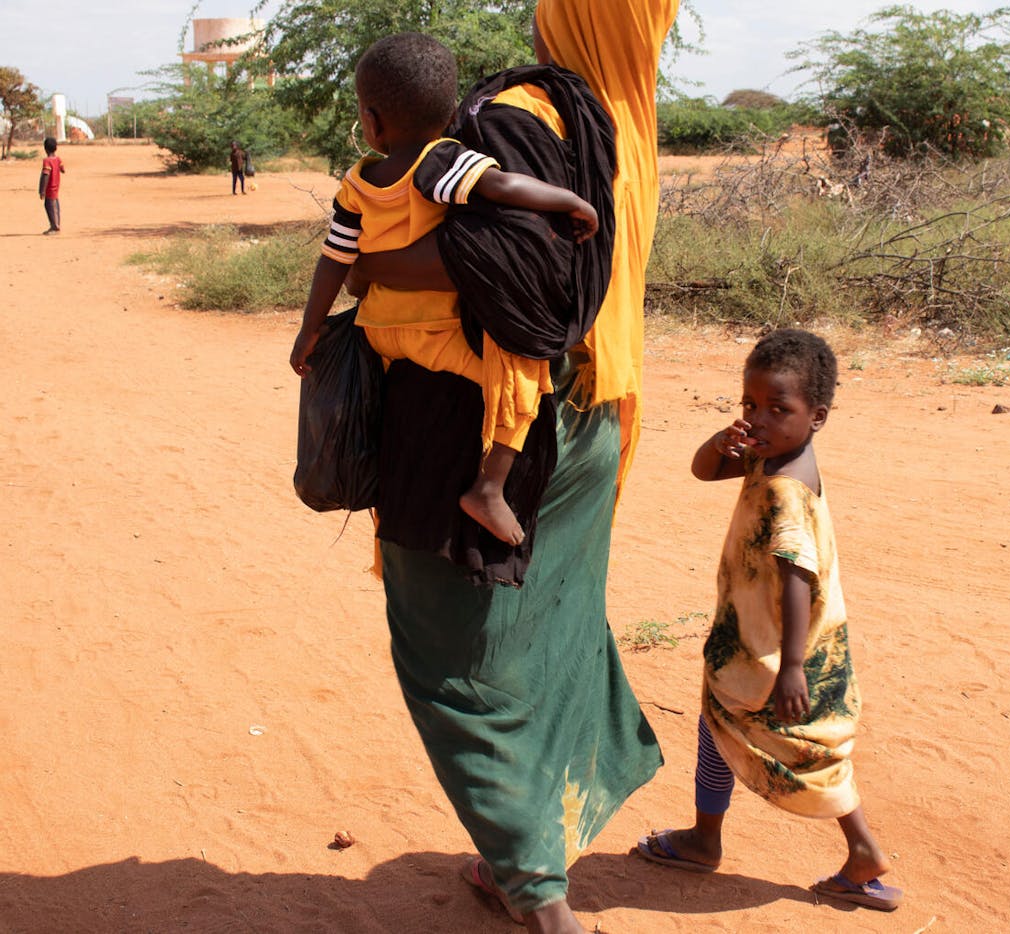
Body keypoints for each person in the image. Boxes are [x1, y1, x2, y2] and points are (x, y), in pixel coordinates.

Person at [341, 2, 678, 930]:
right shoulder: (627, 122)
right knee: (553, 631)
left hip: (501, 432)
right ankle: (525, 851)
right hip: (598, 413)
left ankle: (538, 889)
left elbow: (495, 266)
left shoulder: (522, 113)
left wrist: (369, 264)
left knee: (451, 653)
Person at [290, 32, 600, 545]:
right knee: (524, 372)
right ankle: (490, 487)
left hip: (381, 333)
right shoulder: (439, 163)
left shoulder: (356, 183)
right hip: (439, 332)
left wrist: (309, 329)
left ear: (371, 121)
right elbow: (500, 186)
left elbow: (335, 261)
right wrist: (567, 199)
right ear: (450, 112)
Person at [634, 329, 903, 913]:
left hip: (771, 650)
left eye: (779, 409)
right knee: (768, 739)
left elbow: (796, 575)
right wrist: (722, 441)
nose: (759, 418)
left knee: (792, 747)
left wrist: (792, 669)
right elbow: (705, 471)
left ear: (818, 416)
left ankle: (719, 841)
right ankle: (848, 851)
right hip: (766, 645)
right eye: (749, 405)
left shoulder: (785, 489)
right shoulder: (779, 454)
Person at [38, 137, 65, 234]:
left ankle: (55, 227)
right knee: (55, 206)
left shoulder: (47, 161)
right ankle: (55, 225)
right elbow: (63, 169)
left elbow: (45, 175)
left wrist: (42, 190)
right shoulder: (58, 159)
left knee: (50, 206)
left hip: (50, 188)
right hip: (56, 187)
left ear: (45, 148)